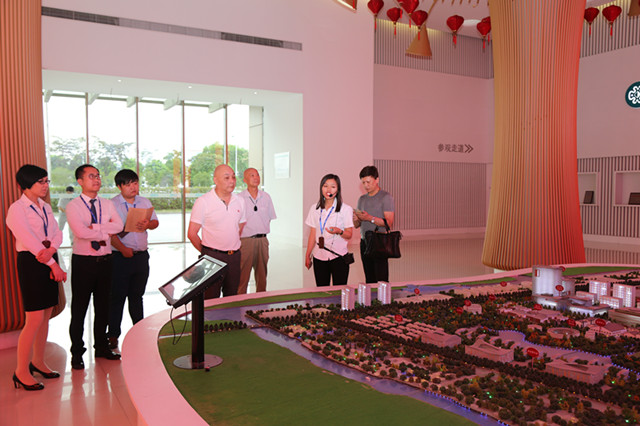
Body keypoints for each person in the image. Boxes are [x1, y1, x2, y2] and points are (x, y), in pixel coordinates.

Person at [6, 165, 67, 391]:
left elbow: (57, 233)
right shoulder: (17, 209)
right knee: (33, 319)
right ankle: (21, 371)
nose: (45, 185)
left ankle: (38, 361)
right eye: (40, 181)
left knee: (46, 315)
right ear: (26, 184)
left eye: (46, 181)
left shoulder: (45, 206)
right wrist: (53, 263)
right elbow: (29, 240)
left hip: (48, 257)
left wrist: (52, 251)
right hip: (32, 262)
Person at [66, 164, 123, 370]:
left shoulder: (106, 204)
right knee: (80, 308)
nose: (97, 179)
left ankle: (101, 347)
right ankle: (77, 352)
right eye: (91, 176)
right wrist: (105, 231)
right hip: (84, 262)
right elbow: (81, 232)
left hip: (105, 261)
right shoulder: (74, 206)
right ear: (80, 181)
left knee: (103, 307)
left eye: (98, 176)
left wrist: (96, 228)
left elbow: (119, 226)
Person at [107, 169, 159, 350]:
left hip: (141, 256)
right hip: (119, 257)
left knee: (137, 296)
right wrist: (123, 249)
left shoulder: (144, 202)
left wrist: (148, 224)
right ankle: (113, 335)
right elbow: (109, 233)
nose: (133, 187)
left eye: (135, 183)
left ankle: (139, 331)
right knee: (117, 297)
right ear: (119, 186)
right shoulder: (112, 204)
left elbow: (155, 222)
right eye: (128, 184)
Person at [188, 164, 246, 298]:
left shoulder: (240, 201)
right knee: (210, 298)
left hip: (234, 257)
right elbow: (192, 234)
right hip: (212, 257)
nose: (232, 181)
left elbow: (240, 226)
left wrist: (230, 244)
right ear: (215, 180)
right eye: (226, 178)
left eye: (233, 177)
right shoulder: (203, 201)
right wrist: (207, 253)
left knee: (232, 296)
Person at [304, 174, 354, 286]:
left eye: (333, 187)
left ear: (338, 189)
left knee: (339, 291)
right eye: (325, 186)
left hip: (339, 256)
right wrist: (307, 255)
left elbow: (349, 234)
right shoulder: (314, 208)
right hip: (319, 255)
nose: (328, 190)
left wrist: (339, 231)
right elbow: (313, 234)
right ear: (321, 188)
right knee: (322, 290)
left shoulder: (345, 209)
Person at [353, 165, 395, 283]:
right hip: (364, 242)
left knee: (381, 279)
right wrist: (357, 218)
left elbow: (388, 223)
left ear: (377, 180)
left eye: (368, 182)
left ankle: (382, 296)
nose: (366, 185)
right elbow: (356, 225)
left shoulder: (386, 197)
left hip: (379, 242)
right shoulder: (362, 199)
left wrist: (369, 218)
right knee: (369, 278)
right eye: (363, 183)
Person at [238, 168, 277, 294]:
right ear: (245, 180)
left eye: (257, 175)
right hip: (246, 241)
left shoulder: (266, 197)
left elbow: (269, 218)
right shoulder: (239, 198)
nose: (256, 178)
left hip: (262, 240)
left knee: (262, 274)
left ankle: (261, 299)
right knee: (243, 275)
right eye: (252, 175)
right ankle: (240, 300)